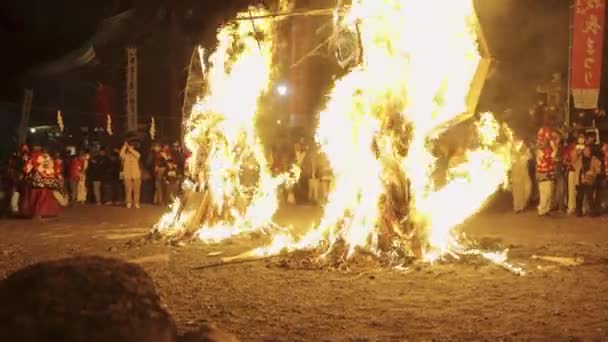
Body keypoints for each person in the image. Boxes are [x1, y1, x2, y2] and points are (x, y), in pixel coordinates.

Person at [19, 148, 64, 218]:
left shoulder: (36, 157)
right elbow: (55, 170)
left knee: (37, 198)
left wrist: (25, 172)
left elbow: (27, 168)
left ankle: (38, 212)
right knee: (44, 197)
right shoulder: (48, 159)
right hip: (46, 182)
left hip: (38, 183)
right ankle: (44, 212)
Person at [573, 145, 601, 217]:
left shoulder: (594, 159)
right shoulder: (580, 158)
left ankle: (592, 212)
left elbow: (598, 170)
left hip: (589, 179)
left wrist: (593, 172)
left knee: (590, 196)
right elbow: (573, 162)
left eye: (589, 150)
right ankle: (578, 212)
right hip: (581, 180)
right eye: (585, 150)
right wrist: (577, 153)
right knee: (579, 196)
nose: (588, 152)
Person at [120, 140, 142, 209]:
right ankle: (128, 202)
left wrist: (130, 149)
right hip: (127, 175)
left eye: (132, 146)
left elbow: (138, 155)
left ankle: (136, 203)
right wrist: (125, 146)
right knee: (128, 190)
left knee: (136, 190)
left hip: (136, 175)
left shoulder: (136, 154)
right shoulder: (125, 156)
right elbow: (121, 154)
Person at [511, 142, 532, 212]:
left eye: (524, 145)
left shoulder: (526, 156)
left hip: (525, 176)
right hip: (516, 177)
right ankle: (517, 207)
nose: (522, 146)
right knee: (517, 192)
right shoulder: (514, 156)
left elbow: (530, 157)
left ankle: (522, 205)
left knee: (527, 190)